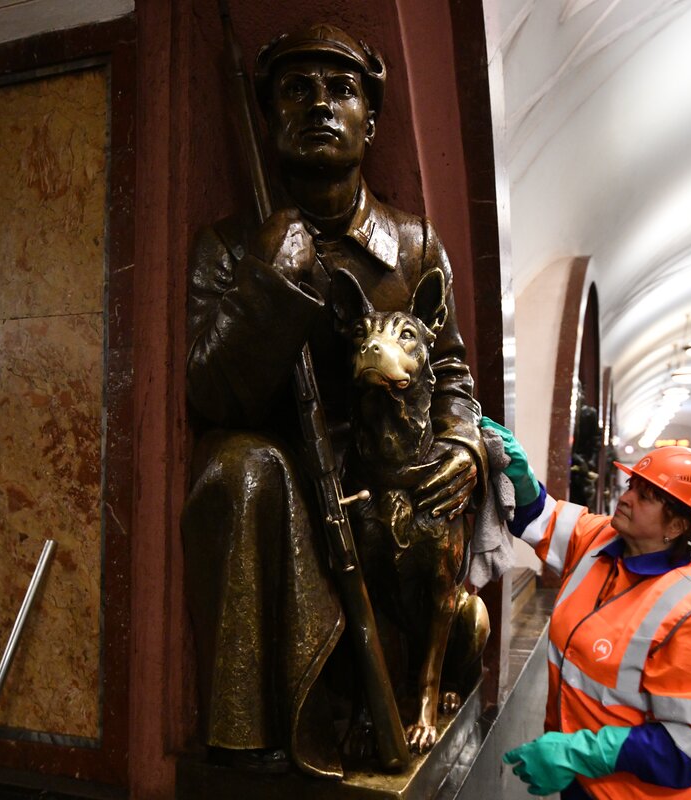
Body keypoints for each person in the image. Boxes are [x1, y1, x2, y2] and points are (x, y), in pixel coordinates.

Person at [181, 24, 485, 777]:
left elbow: (451, 370)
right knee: (240, 469)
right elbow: (212, 390)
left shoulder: (414, 246)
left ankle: (401, 702)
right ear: (270, 118)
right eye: (296, 90)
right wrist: (271, 277)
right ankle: (251, 747)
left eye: (340, 90)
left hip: (389, 475)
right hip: (293, 475)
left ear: (370, 123)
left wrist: (462, 441)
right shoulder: (231, 245)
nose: (319, 104)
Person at [482, 418, 691, 799]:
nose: (626, 498)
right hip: (580, 779)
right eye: (632, 485)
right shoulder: (600, 539)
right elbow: (539, 518)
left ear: (676, 525)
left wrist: (579, 752)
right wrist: (521, 477)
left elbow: (689, 750)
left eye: (646, 496)